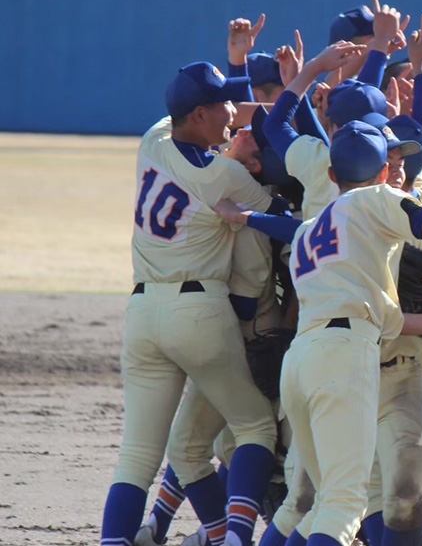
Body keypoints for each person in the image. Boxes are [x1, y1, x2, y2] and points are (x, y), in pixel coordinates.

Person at [217, 120, 422, 546]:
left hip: (302, 360)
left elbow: (380, 317)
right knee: (344, 505)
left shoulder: (311, 230)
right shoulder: (378, 197)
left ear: (332, 175)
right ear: (381, 174)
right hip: (343, 357)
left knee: (320, 504)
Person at [101, 61, 289, 546]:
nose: (235, 114)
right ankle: (235, 539)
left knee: (137, 456)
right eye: (224, 106)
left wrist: (236, 66)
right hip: (200, 312)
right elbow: (283, 216)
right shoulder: (224, 176)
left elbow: (210, 112)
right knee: (254, 427)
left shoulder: (152, 140)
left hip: (142, 312)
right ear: (200, 114)